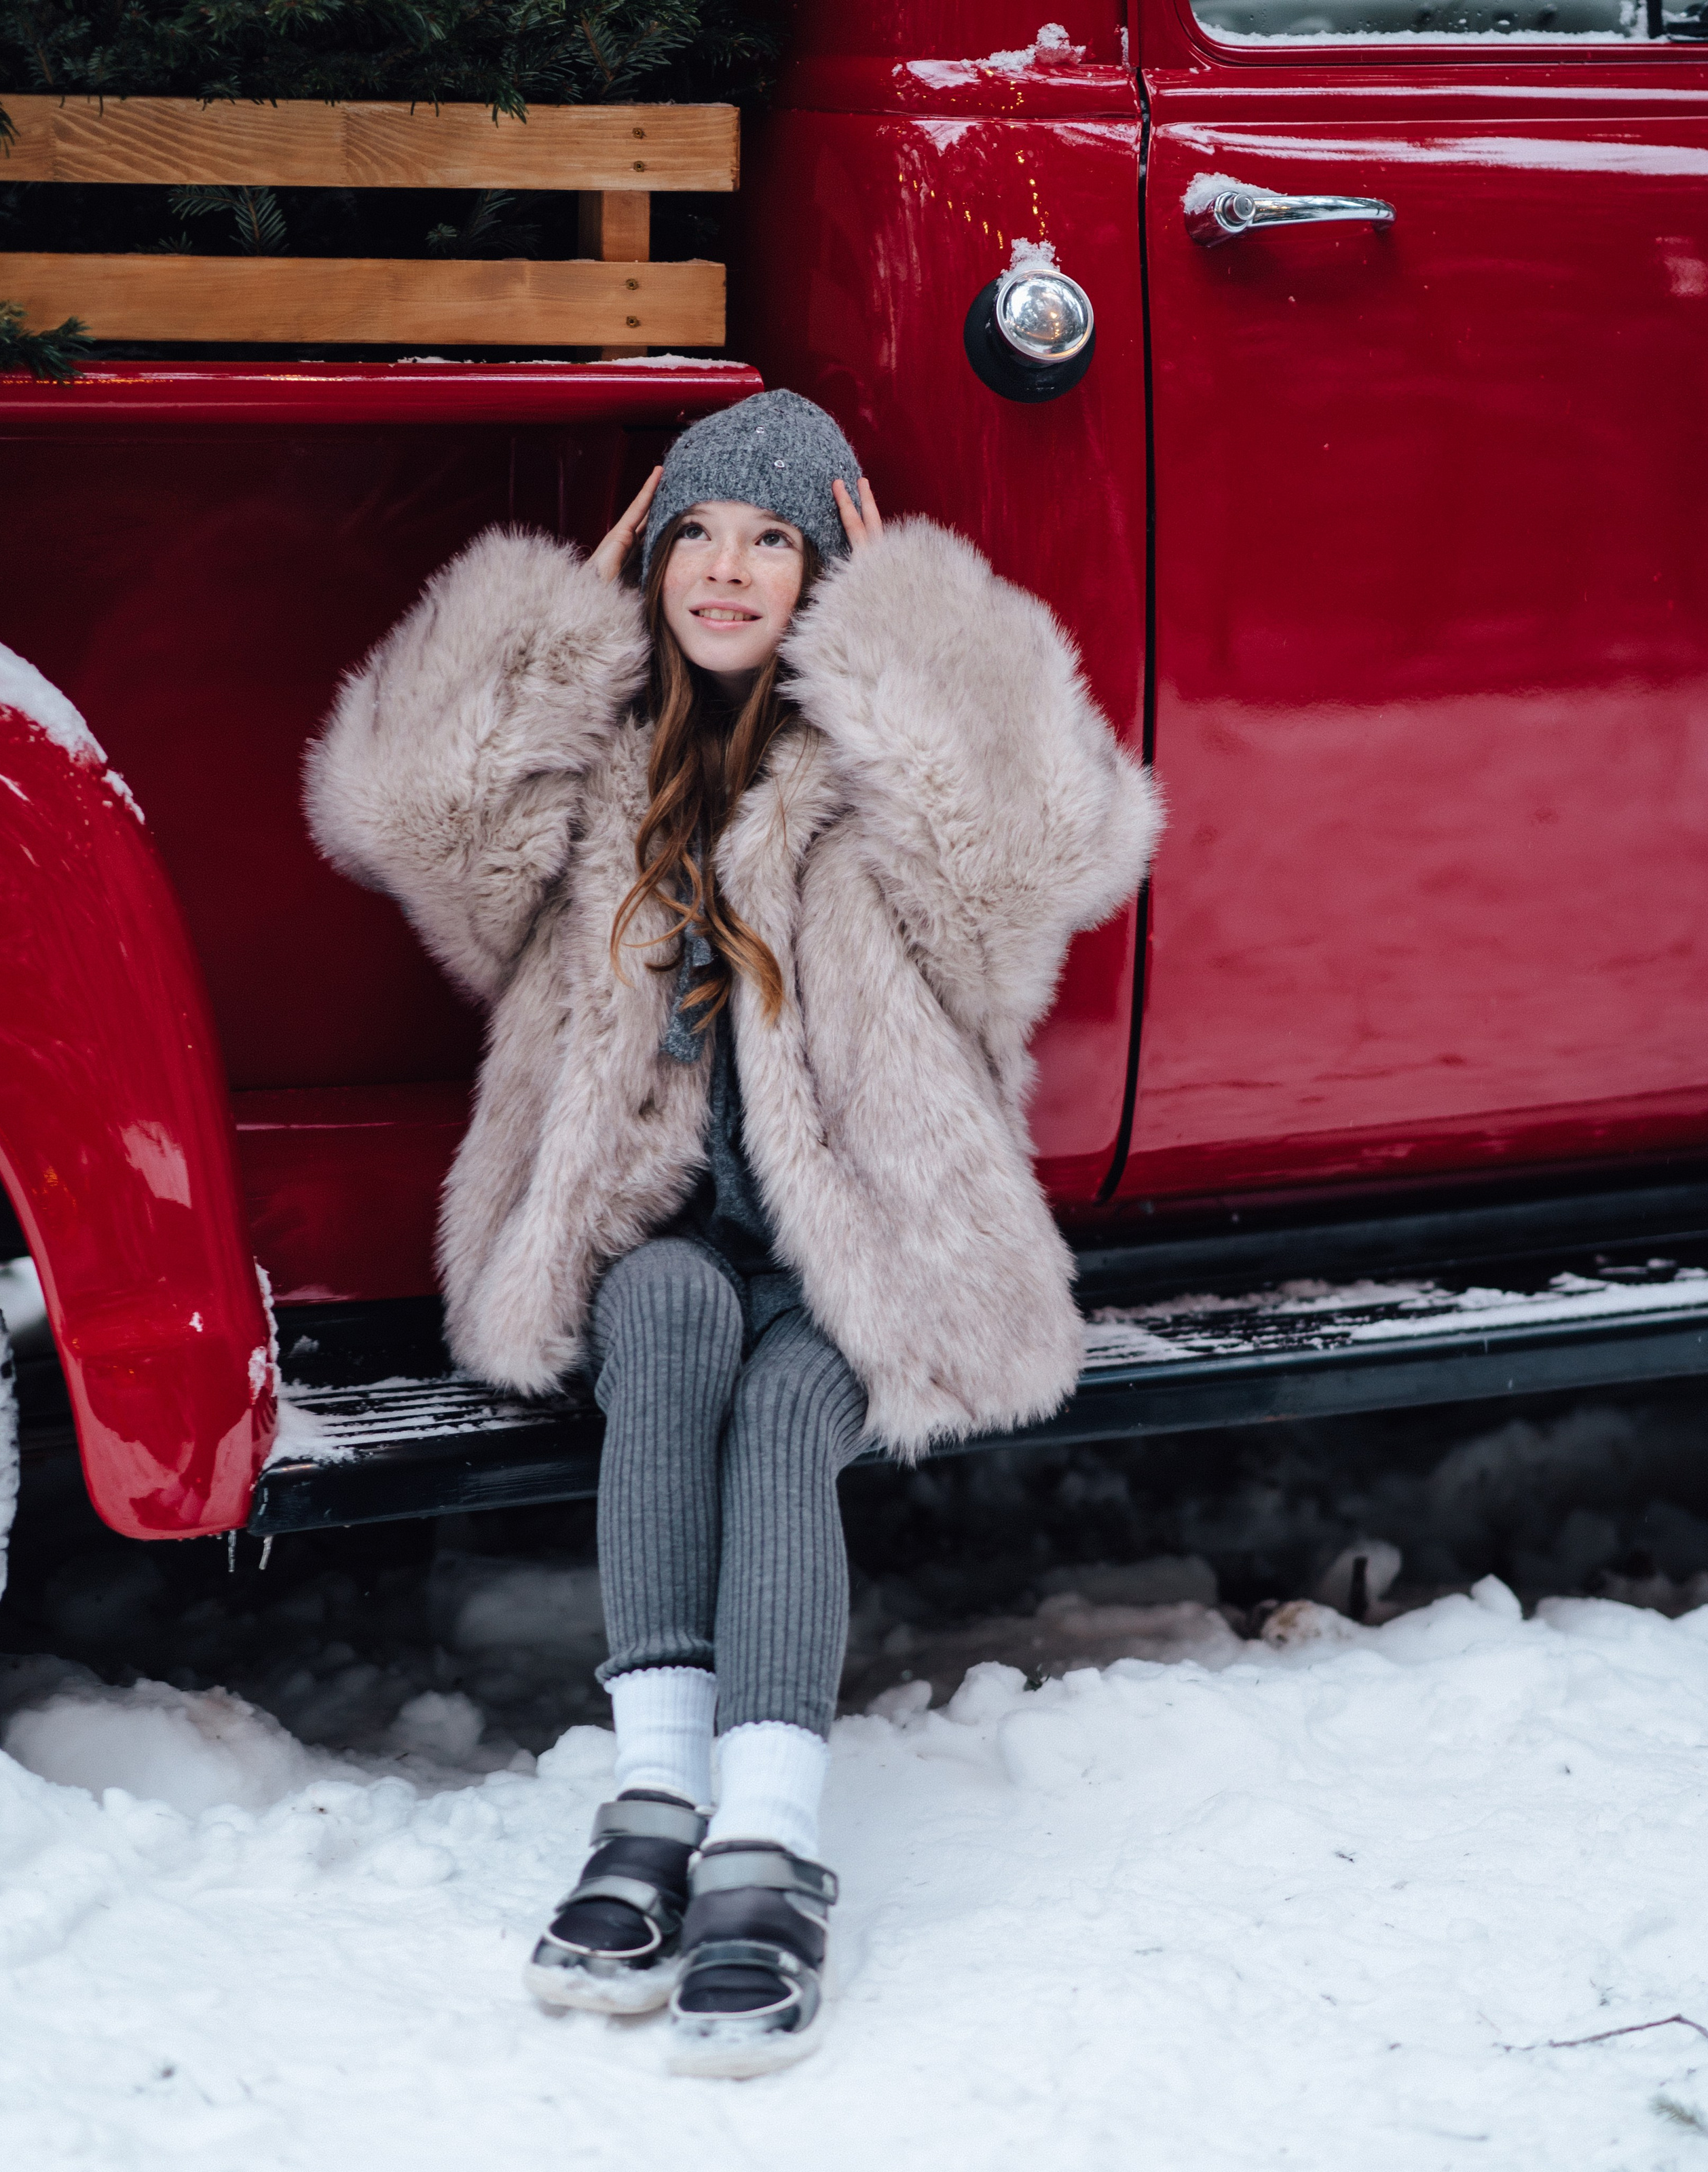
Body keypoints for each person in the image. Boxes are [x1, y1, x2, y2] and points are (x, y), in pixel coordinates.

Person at [305, 390, 1164, 2075]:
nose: (723, 567)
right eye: (693, 532)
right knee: (669, 1318)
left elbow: (1046, 850)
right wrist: (552, 633)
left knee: (782, 1410)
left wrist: (908, 619)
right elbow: (407, 814)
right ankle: (651, 1806)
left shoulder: (879, 788)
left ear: (821, 571)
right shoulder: (595, 779)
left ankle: (766, 1847)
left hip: (868, 1255)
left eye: (772, 539)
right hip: (656, 1237)